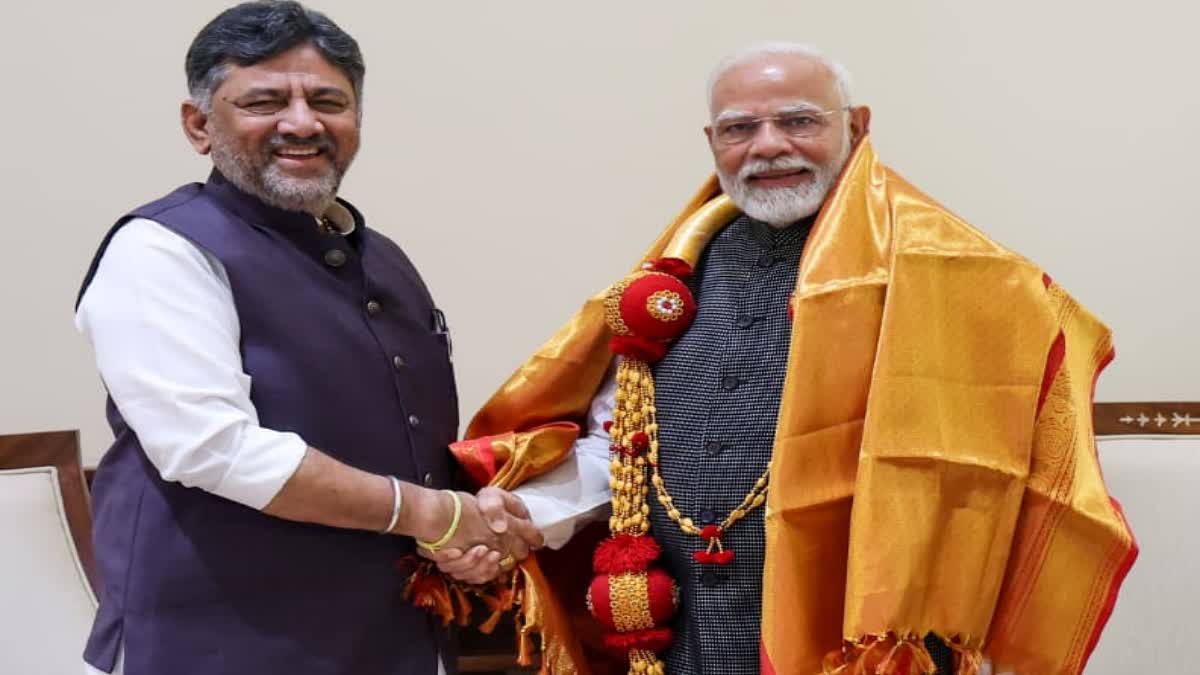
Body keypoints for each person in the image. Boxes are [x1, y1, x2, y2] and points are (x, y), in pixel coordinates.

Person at [421, 42, 1136, 675]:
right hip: (681, 636)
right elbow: (622, 450)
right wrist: (525, 512)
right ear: (712, 142)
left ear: (856, 126)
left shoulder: (953, 275)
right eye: (739, 128)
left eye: (798, 121)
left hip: (856, 640)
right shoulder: (668, 281)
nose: (768, 146)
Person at [75, 3, 541, 674]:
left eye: (329, 100)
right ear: (199, 125)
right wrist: (435, 512)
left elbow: (409, 442)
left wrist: (462, 538)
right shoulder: (160, 251)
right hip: (216, 644)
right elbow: (214, 448)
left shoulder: (382, 257)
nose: (302, 122)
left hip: (394, 639)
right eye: (264, 101)